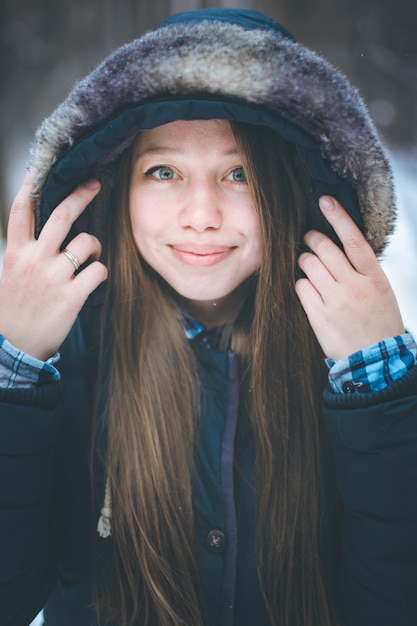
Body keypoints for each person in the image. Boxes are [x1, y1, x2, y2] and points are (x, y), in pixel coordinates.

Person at [0, 8, 416, 626]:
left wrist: (382, 392)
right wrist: (15, 372)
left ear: (293, 188)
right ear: (115, 191)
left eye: (239, 172)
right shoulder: (64, 358)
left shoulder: (349, 368)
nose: (201, 213)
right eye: (163, 171)